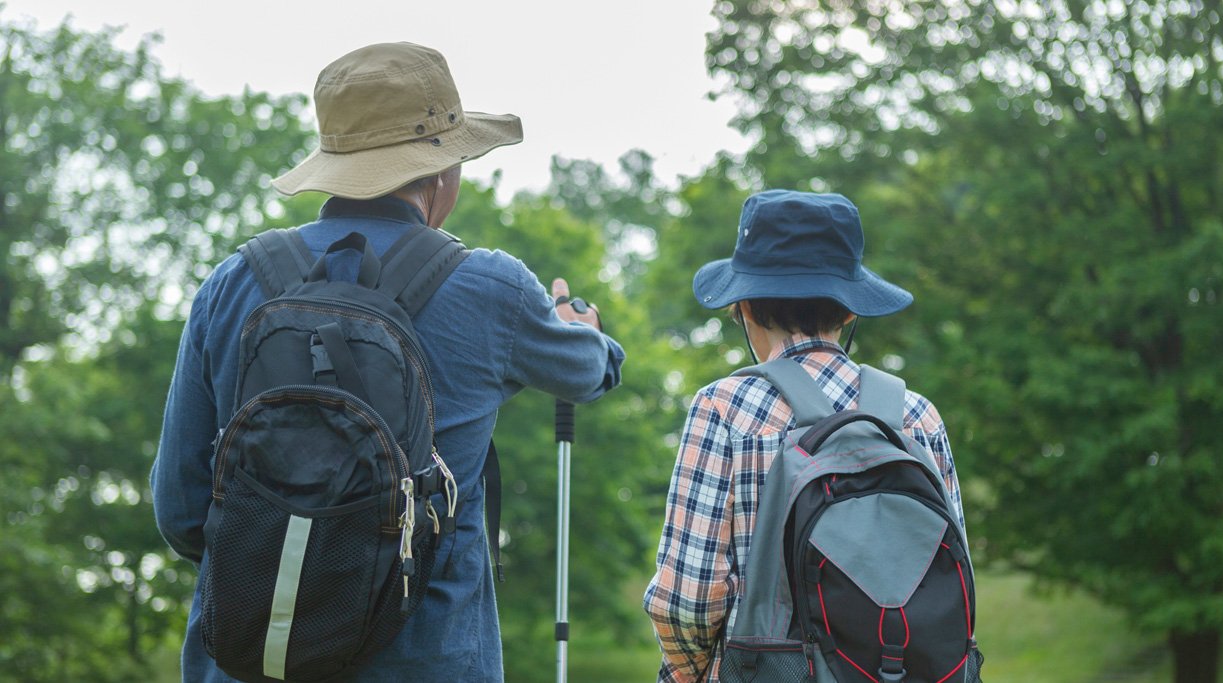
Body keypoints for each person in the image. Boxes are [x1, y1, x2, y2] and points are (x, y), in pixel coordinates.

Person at [151, 42, 624, 681]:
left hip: (246, 659)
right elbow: (590, 373)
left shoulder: (232, 283)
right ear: (440, 174)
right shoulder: (491, 289)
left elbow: (180, 512)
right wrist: (584, 333)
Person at [643, 190, 967, 682]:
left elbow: (686, 600)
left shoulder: (723, 408)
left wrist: (692, 674)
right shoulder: (916, 416)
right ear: (851, 310)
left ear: (744, 306)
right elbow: (953, 580)